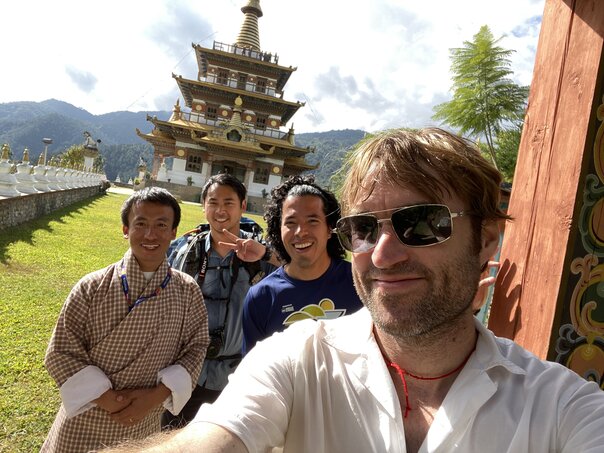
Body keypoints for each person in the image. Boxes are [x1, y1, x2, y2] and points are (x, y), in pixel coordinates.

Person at [103, 128, 604, 453]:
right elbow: (215, 437)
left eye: (421, 223)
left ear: (486, 241)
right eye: (363, 228)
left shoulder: (560, 407)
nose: (382, 255)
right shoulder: (297, 359)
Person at [42, 187, 209, 452]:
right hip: (85, 419)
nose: (150, 235)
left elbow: (196, 348)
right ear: (125, 229)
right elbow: (61, 350)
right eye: (140, 224)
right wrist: (107, 399)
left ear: (173, 232)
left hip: (144, 421)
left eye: (161, 225)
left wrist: (154, 397)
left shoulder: (187, 290)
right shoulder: (91, 286)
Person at [161, 173, 279, 429]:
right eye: (213, 202)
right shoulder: (186, 251)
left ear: (243, 205)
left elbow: (301, 272)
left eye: (229, 202)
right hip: (186, 373)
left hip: (238, 377)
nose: (220, 210)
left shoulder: (262, 253)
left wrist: (266, 254)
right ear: (203, 206)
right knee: (172, 438)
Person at [240, 174, 363, 354]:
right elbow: (254, 367)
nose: (300, 232)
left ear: (330, 228)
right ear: (278, 229)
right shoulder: (261, 298)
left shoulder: (359, 283)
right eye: (291, 223)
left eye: (312, 221)